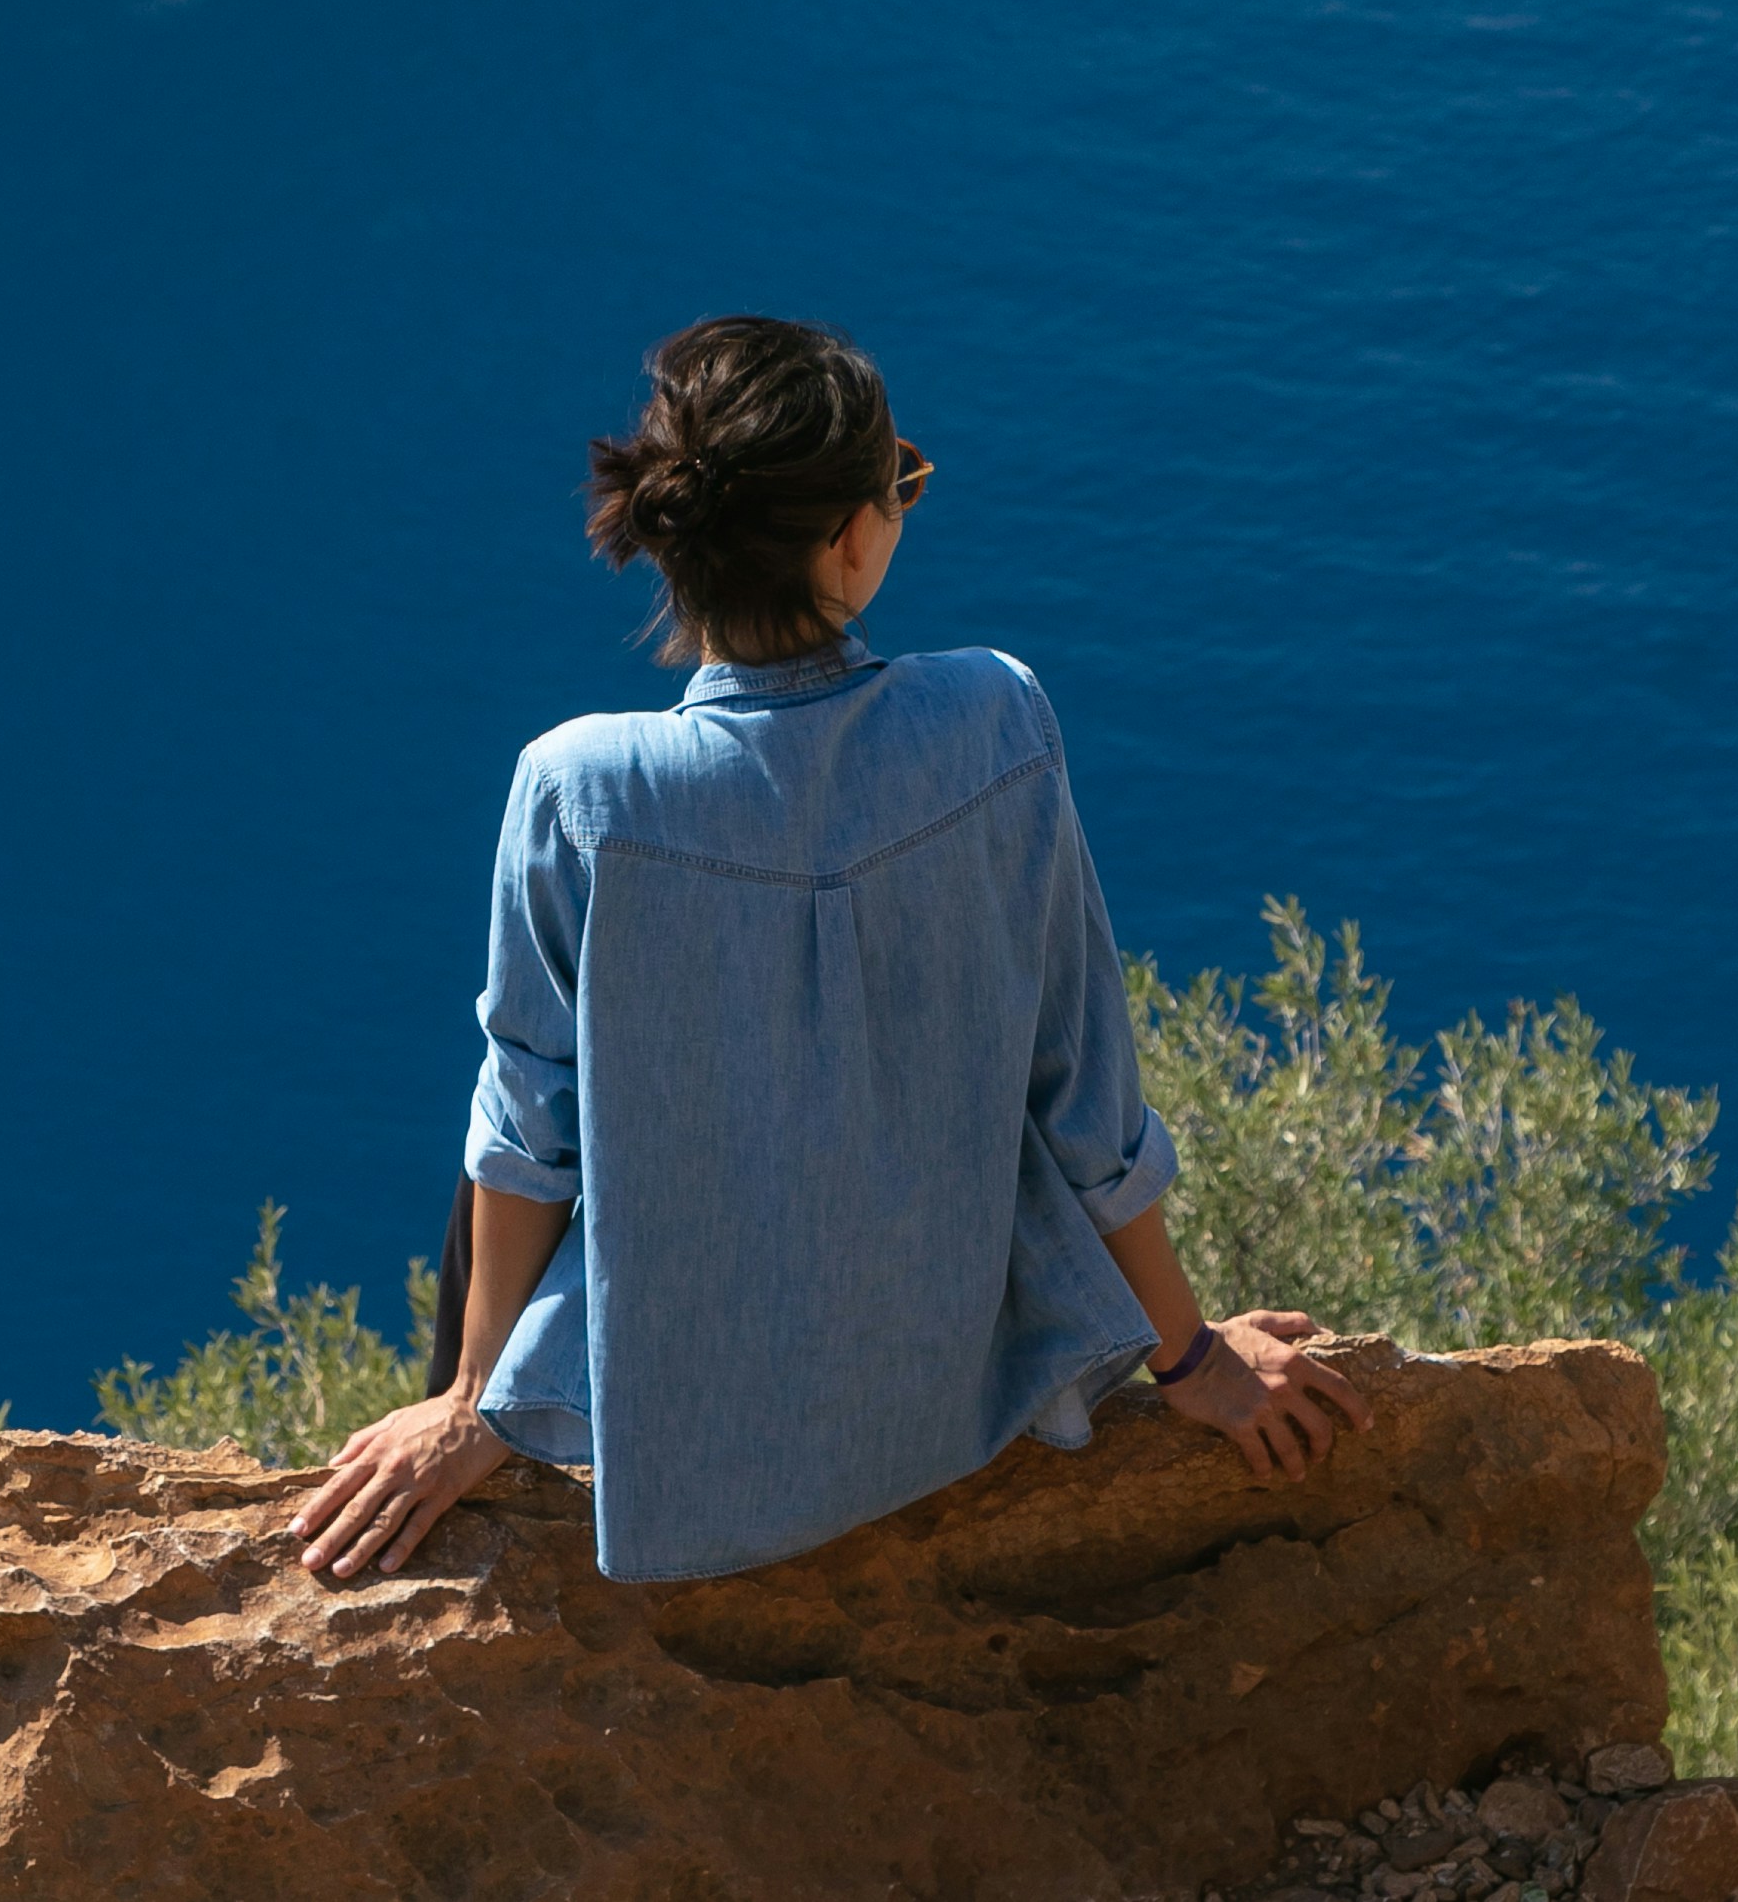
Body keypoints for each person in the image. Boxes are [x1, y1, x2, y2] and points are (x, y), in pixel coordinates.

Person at [288, 315, 1369, 1584]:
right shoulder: (994, 716)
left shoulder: (579, 788)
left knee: (508, 1127)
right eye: (897, 483)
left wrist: (469, 1404)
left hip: (688, 1448)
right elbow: (1085, 1090)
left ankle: (491, 1422)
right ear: (853, 541)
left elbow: (532, 1139)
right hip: (946, 1395)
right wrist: (1190, 1357)